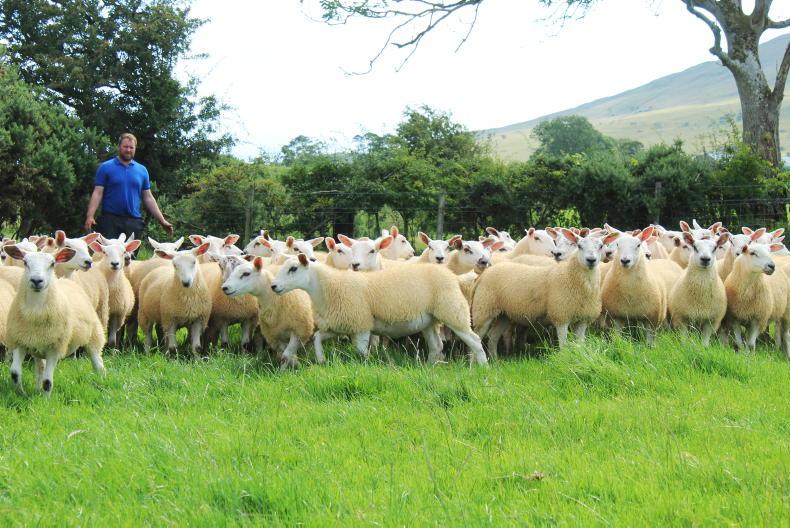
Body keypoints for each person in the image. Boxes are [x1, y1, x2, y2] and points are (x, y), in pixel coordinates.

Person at [84, 133, 173, 239]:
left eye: (131, 147)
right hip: (110, 221)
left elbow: (148, 198)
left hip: (133, 222)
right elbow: (98, 193)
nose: (128, 150)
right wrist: (90, 216)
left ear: (135, 149)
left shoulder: (142, 170)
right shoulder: (105, 167)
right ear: (119, 147)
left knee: (131, 251)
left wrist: (162, 221)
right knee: (108, 250)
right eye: (125, 147)